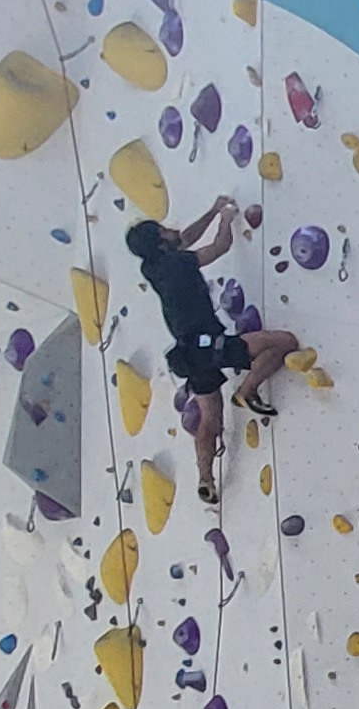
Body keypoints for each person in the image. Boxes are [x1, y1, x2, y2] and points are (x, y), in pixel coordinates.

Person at [123, 202, 300, 505]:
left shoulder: (151, 267)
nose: (170, 229)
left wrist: (213, 210)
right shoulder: (178, 264)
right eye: (163, 229)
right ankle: (247, 390)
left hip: (189, 354)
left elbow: (184, 239)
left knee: (210, 417)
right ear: (160, 241)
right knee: (283, 342)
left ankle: (205, 477)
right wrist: (226, 218)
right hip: (211, 344)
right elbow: (219, 247)